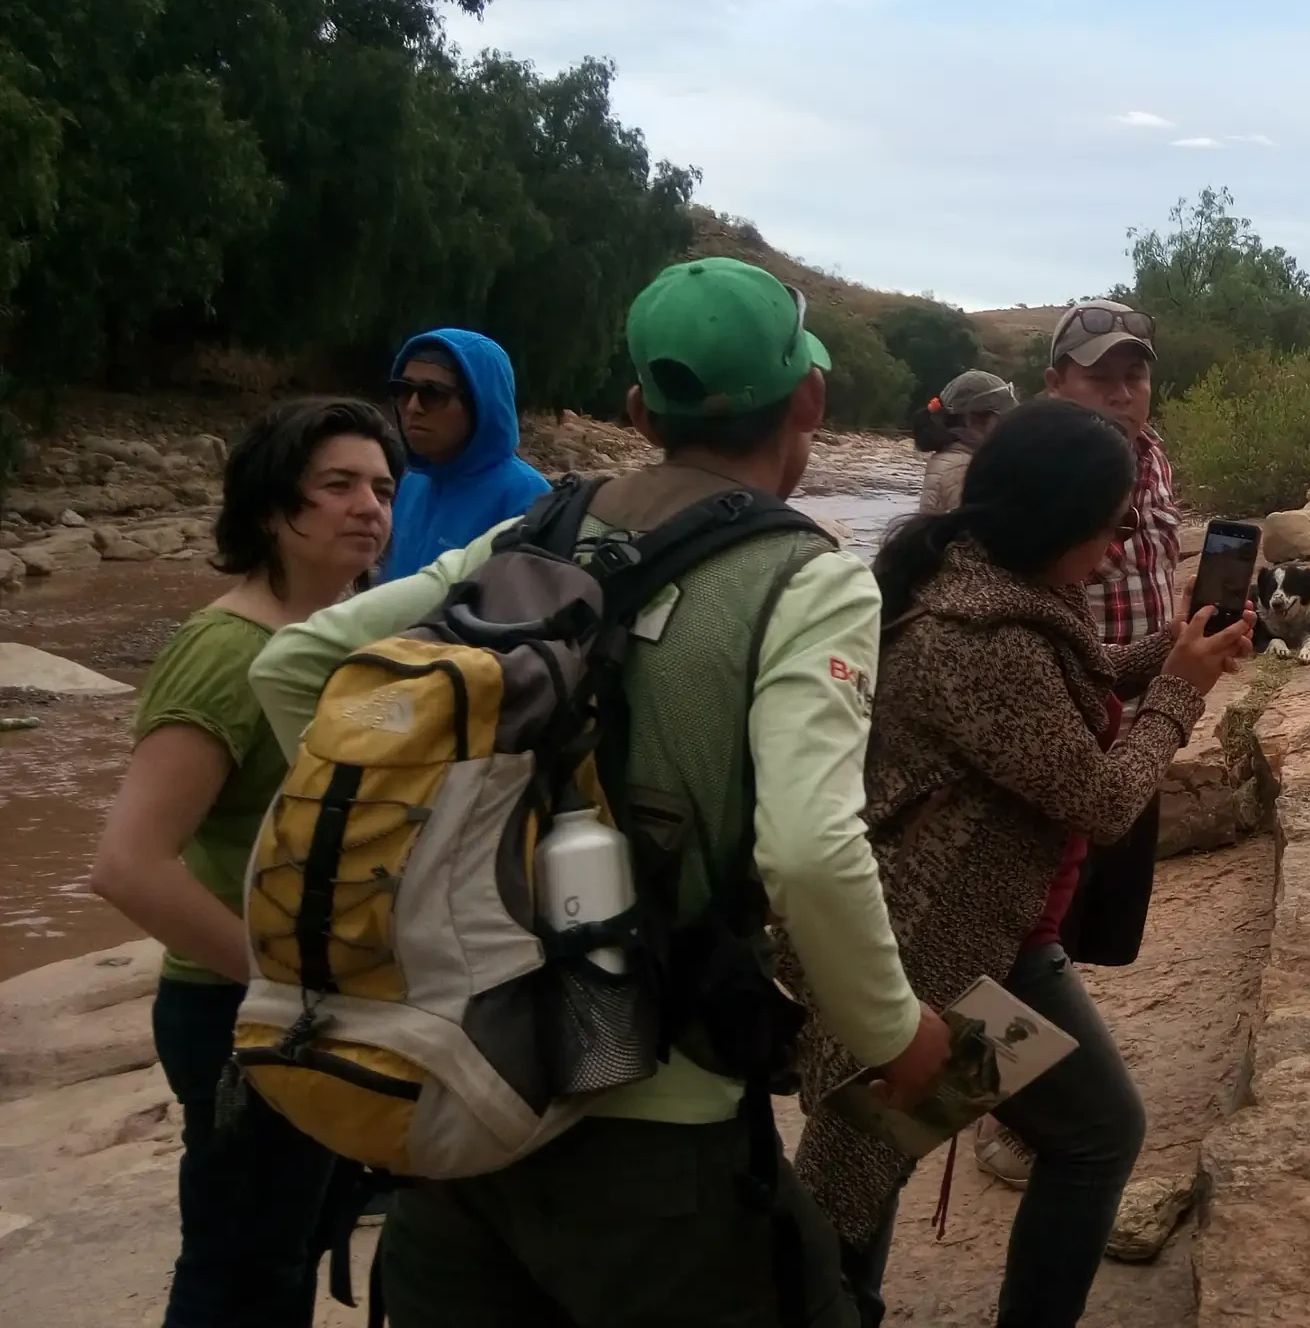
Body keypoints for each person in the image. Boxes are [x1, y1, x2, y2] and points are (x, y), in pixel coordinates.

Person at [248, 257, 950, 1328]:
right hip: (656, 1133)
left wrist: (425, 856)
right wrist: (893, 1034)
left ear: (638, 412)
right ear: (809, 400)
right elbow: (809, 850)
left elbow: (294, 665)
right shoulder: (811, 579)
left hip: (464, 1087)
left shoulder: (531, 531)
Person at [791, 397, 1251, 1328]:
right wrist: (1179, 694)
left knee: (885, 1155)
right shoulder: (979, 641)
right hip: (938, 951)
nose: (1119, 550)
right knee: (884, 1165)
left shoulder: (994, 582)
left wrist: (1176, 648)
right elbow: (1104, 800)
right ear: (1057, 523)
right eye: (1111, 527)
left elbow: (1072, 677)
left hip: (988, 936)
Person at [89, 397, 403, 1328]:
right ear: (270, 508)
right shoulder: (227, 652)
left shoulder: (340, 641)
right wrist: (282, 986)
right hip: (238, 1014)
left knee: (288, 1252)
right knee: (236, 1273)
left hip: (311, 1009)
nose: (369, 507)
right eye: (338, 484)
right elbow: (129, 864)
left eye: (383, 488)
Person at [956, 299, 1181, 1189]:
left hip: (1128, 710)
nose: (1122, 392)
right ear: (1054, 384)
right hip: (1052, 728)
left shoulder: (1154, 461)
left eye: (1136, 373)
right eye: (1099, 376)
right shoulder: (1035, 489)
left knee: (1081, 923)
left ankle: (1042, 1086)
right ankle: (1005, 1111)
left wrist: (1177, 650)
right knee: (1027, 928)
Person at [382, 327, 550, 579]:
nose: (413, 407)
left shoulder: (527, 498)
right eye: (403, 390)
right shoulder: (413, 483)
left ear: (480, 403)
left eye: (432, 394)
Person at [912, 369, 1018, 516]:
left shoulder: (955, 459)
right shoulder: (961, 470)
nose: (1007, 426)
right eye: (1002, 419)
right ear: (972, 420)